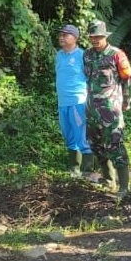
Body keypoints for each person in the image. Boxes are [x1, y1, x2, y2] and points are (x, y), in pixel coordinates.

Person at [84, 19, 131, 201]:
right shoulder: (87, 55)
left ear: (105, 36)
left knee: (115, 146)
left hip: (110, 111)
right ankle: (108, 180)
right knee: (97, 147)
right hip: (92, 110)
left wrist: (126, 102)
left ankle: (123, 187)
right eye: (92, 37)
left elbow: (128, 79)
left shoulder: (116, 55)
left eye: (98, 36)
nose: (95, 40)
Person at [55, 24, 93, 177]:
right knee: (68, 135)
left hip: (78, 101)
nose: (62, 37)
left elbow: (91, 78)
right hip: (62, 102)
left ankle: (87, 170)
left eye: (66, 35)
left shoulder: (82, 55)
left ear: (75, 38)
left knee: (81, 136)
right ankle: (74, 169)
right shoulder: (59, 55)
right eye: (61, 34)